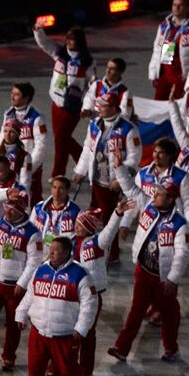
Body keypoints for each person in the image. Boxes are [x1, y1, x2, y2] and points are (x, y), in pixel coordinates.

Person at [108, 181, 189, 363]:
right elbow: (130, 188)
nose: (154, 196)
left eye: (159, 194)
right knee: (136, 310)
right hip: (143, 270)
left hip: (162, 278)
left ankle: (171, 348)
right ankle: (121, 348)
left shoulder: (181, 225)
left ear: (170, 199)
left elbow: (182, 255)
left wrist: (173, 279)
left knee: (169, 313)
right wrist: (118, 166)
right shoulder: (148, 206)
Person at [14, 237, 96, 376]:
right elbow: (30, 295)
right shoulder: (40, 270)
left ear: (67, 252)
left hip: (65, 334)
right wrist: (21, 314)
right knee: (35, 368)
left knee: (68, 370)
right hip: (38, 331)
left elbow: (90, 304)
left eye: (56, 249)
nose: (50, 252)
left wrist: (82, 328)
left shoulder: (80, 274)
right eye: (50, 248)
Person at [73, 92, 142, 265]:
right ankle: (94, 250)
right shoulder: (95, 125)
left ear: (113, 108)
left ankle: (113, 254)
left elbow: (134, 157)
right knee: (95, 217)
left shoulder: (128, 129)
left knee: (111, 218)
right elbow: (88, 149)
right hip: (97, 179)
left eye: (103, 106)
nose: (99, 109)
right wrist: (81, 170)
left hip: (113, 184)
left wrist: (120, 179)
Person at [0, 189, 42, 370]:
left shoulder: (32, 233)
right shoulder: (0, 220)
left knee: (13, 323)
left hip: (13, 286)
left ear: (22, 211)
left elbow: (34, 262)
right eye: (7, 207)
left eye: (13, 209)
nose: (8, 211)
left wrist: (22, 283)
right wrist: (6, 193)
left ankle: (9, 356)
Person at [33, 22, 95, 178]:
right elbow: (44, 43)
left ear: (80, 41)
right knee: (61, 138)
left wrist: (87, 106)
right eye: (67, 38)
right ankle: (83, 159)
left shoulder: (87, 62)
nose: (68, 41)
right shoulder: (60, 53)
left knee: (61, 141)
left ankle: (58, 174)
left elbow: (92, 86)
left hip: (73, 106)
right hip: (57, 103)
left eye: (72, 39)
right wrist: (38, 30)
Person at [71, 209, 117, 376]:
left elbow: (110, 230)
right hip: (72, 295)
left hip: (91, 296)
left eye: (80, 224)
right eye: (76, 223)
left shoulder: (98, 243)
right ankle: (65, 367)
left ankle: (85, 370)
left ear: (89, 227)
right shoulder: (71, 241)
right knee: (69, 332)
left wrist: (117, 214)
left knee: (87, 333)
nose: (76, 227)